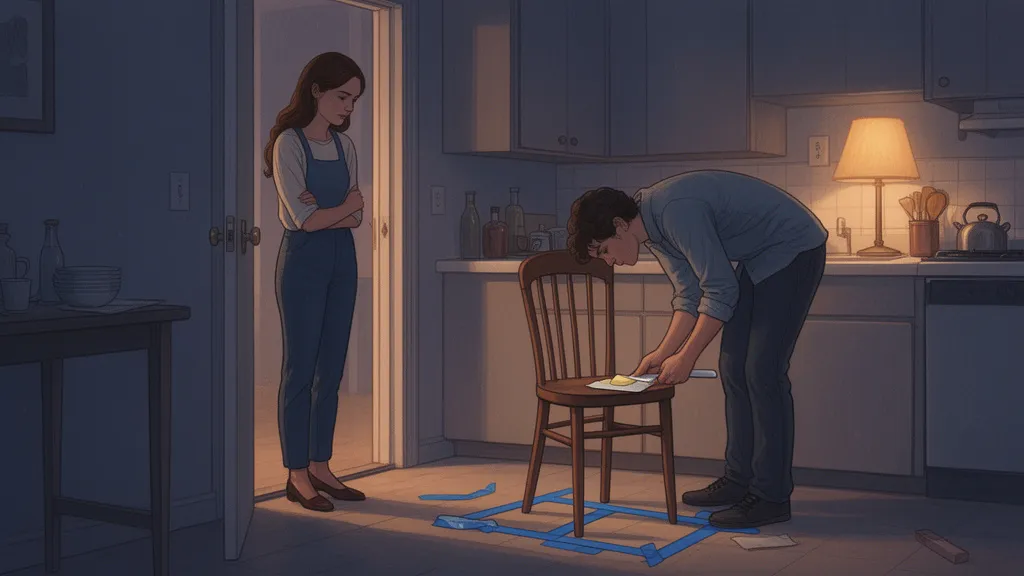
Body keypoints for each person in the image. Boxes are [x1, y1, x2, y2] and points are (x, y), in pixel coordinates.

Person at [566, 170, 828, 529]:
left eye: (605, 250)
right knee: (734, 367)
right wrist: (661, 354)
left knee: (762, 372)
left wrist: (686, 357)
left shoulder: (676, 211)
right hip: (760, 255)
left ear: (619, 225)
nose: (608, 261)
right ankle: (739, 481)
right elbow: (690, 294)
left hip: (793, 246)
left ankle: (771, 497)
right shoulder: (652, 230)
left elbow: (720, 290)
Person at [263, 52, 368, 512]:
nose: (348, 106)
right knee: (300, 369)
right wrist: (339, 209)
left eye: (354, 99)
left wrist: (333, 210)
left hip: (343, 262)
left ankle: (321, 464)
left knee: (333, 369)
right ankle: (296, 473)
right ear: (317, 91)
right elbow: (302, 221)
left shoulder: (346, 148)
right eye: (342, 95)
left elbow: (359, 214)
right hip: (303, 263)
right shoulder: (287, 143)